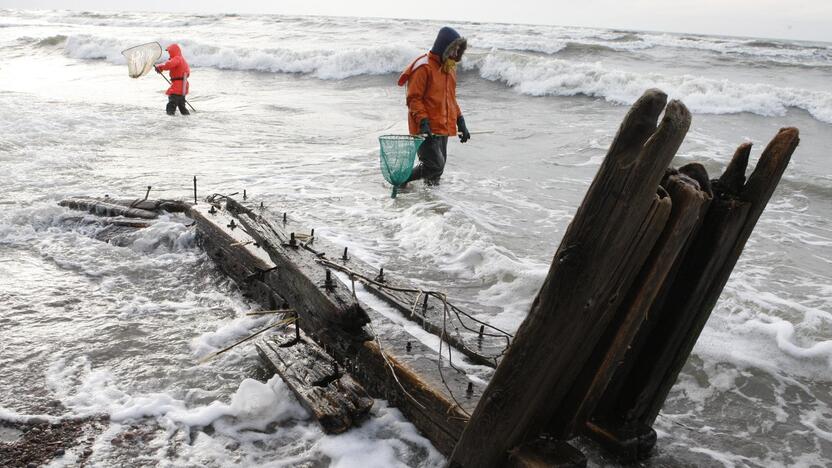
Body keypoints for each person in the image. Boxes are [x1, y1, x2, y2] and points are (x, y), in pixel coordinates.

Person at [398, 26, 471, 185]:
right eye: (453, 49)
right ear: (443, 46)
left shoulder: (449, 68)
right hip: (424, 128)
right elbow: (413, 99)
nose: (455, 53)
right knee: (434, 165)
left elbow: (451, 99)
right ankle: (401, 179)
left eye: (458, 49)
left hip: (442, 127)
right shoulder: (423, 66)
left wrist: (460, 121)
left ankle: (430, 204)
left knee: (437, 171)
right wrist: (423, 122)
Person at [154, 44, 190, 116]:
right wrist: (161, 68)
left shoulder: (177, 58)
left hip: (177, 86)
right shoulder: (182, 59)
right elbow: (172, 66)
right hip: (183, 87)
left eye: (169, 52)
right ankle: (187, 118)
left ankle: (170, 120)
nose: (169, 54)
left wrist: (161, 67)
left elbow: (169, 65)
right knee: (181, 106)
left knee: (171, 104)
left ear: (173, 51)